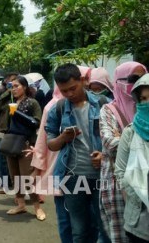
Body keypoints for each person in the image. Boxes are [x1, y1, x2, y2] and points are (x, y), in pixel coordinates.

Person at [46, 63, 109, 242]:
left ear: (83, 81)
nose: (69, 94)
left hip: (101, 175)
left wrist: (104, 155)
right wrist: (63, 138)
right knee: (79, 230)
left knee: (104, 227)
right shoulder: (58, 109)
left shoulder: (104, 104)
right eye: (64, 91)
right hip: (72, 178)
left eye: (73, 88)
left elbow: (117, 138)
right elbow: (51, 144)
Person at [99, 62, 147, 243]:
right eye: (134, 79)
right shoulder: (109, 110)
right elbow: (110, 142)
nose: (139, 84)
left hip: (145, 183)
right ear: (119, 82)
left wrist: (126, 140)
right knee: (121, 235)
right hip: (118, 183)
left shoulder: (144, 106)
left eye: (143, 78)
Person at [0, 76, 45, 220]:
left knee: (28, 178)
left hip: (26, 143)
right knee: (14, 176)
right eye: (12, 86)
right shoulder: (11, 103)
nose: (14, 89)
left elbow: (37, 122)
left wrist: (17, 113)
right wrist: (6, 93)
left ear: (25, 87)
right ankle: (21, 205)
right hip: (11, 142)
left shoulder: (32, 103)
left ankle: (37, 208)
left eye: (17, 86)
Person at [115, 73, 149, 243]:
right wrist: (136, 194)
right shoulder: (130, 132)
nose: (147, 103)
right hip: (138, 222)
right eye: (143, 98)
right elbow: (120, 171)